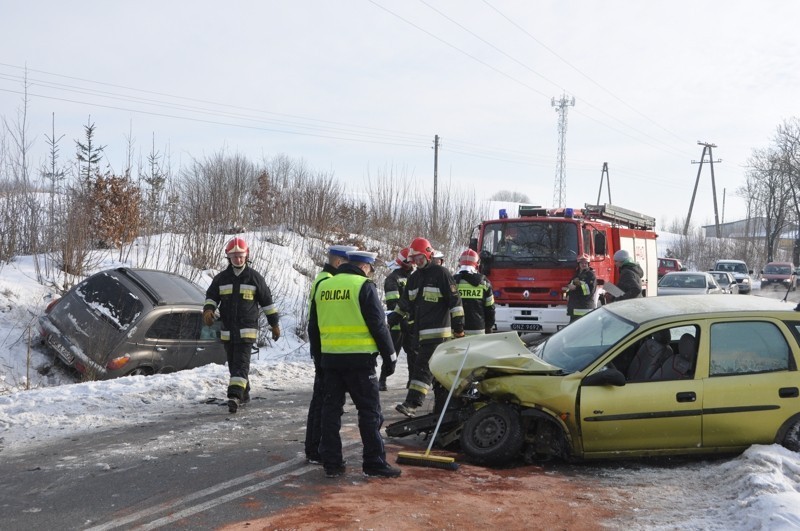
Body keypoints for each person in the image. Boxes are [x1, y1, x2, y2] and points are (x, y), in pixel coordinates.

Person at [309, 250, 401, 479]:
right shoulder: (363, 286)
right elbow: (378, 325)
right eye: (370, 269)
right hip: (360, 362)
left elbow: (314, 327)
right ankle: (374, 462)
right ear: (364, 267)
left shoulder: (324, 286)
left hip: (330, 360)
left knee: (330, 412)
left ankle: (332, 463)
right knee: (369, 412)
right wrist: (390, 357)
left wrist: (318, 360)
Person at [389, 237, 464, 418]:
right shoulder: (414, 279)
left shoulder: (441, 274)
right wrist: (393, 318)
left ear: (428, 254)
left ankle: (412, 404)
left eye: (420, 258)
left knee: (422, 369)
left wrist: (459, 328)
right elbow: (404, 303)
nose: (417, 262)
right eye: (414, 259)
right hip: (420, 335)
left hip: (439, 334)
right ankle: (442, 411)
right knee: (438, 374)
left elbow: (455, 303)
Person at [203, 237, 280, 413]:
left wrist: (274, 324)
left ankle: (234, 397)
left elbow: (267, 303)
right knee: (233, 365)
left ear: (247, 256)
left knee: (241, 364)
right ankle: (244, 394)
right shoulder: (221, 279)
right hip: (228, 332)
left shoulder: (254, 278)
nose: (238, 259)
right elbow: (211, 297)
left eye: (241, 256)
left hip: (247, 331)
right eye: (234, 256)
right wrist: (208, 310)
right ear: (228, 258)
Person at [304, 244, 357, 464]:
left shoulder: (322, 278)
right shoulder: (326, 281)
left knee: (320, 401)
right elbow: (317, 321)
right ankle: (315, 448)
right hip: (327, 351)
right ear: (338, 262)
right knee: (322, 403)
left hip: (324, 349)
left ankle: (313, 448)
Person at [380, 247, 415, 391]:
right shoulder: (392, 278)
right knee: (392, 353)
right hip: (396, 324)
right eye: (409, 262)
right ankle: (382, 379)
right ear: (403, 262)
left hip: (412, 322)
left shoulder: (413, 277)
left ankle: (412, 381)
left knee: (413, 353)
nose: (412, 264)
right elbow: (393, 303)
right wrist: (402, 319)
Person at [453, 249, 495, 335]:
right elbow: (490, 308)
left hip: (457, 332)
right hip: (478, 331)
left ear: (460, 263)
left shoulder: (452, 282)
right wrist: (489, 327)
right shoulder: (484, 283)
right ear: (477, 264)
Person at [566, 254, 596, 322]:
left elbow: (589, 291)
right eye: (582, 263)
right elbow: (570, 285)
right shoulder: (576, 274)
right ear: (578, 264)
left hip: (585, 308)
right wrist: (567, 294)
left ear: (588, 264)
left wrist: (576, 288)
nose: (584, 264)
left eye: (585, 263)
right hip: (575, 308)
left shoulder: (590, 275)